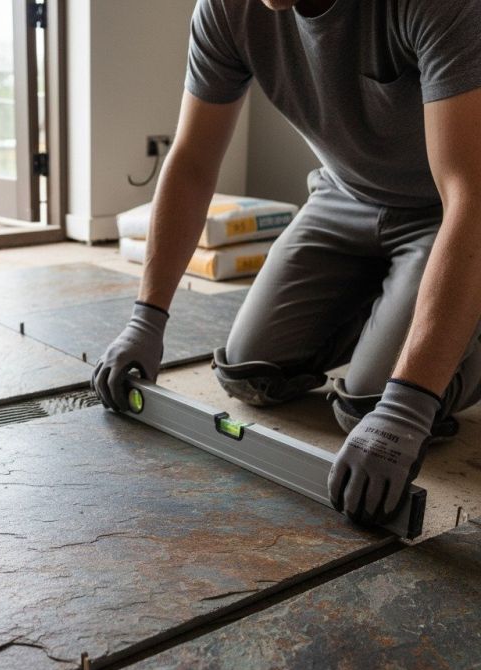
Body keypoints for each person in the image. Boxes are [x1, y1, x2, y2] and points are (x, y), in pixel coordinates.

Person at [92, 0, 481, 525]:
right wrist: (147, 318)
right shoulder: (227, 10)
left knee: (371, 405)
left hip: (448, 210)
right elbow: (192, 161)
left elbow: (469, 196)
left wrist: (408, 405)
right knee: (248, 373)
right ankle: (395, 311)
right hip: (343, 197)